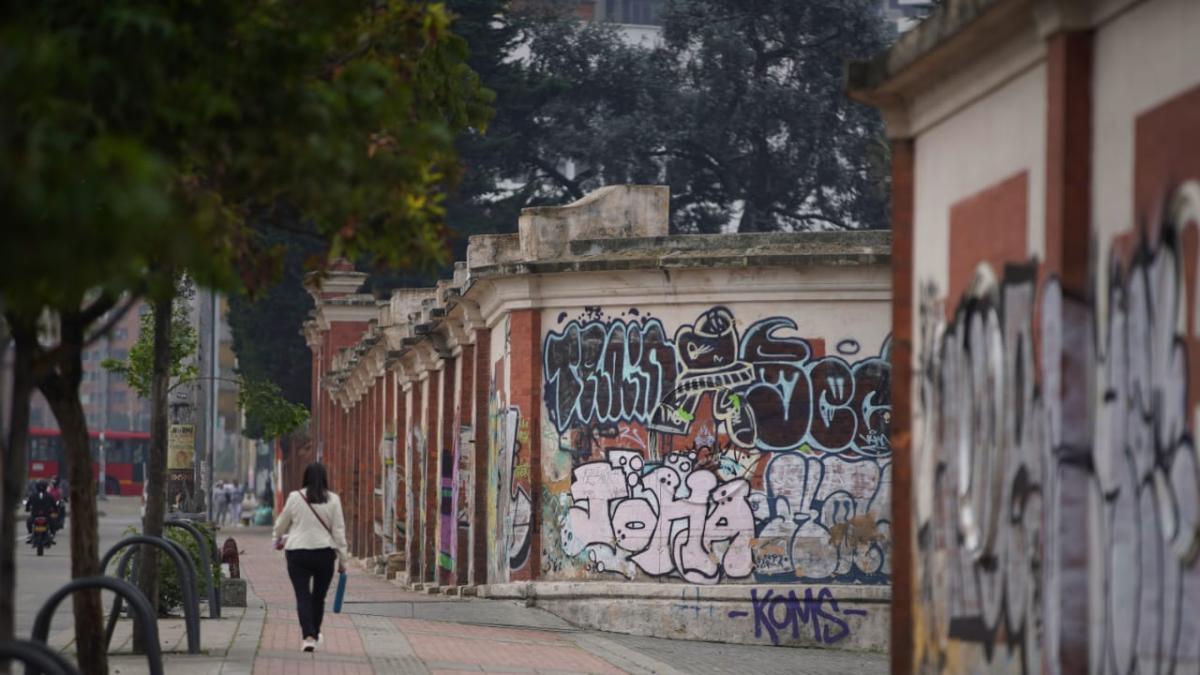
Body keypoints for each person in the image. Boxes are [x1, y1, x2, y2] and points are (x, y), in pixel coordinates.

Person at [272, 463, 348, 653]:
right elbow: (339, 532)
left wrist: (277, 537)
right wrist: (343, 560)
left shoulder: (295, 497)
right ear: (324, 478)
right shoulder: (333, 500)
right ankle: (314, 633)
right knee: (319, 598)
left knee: (302, 596)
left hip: (297, 553)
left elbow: (281, 523)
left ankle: (308, 636)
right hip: (324, 554)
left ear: (305, 477)